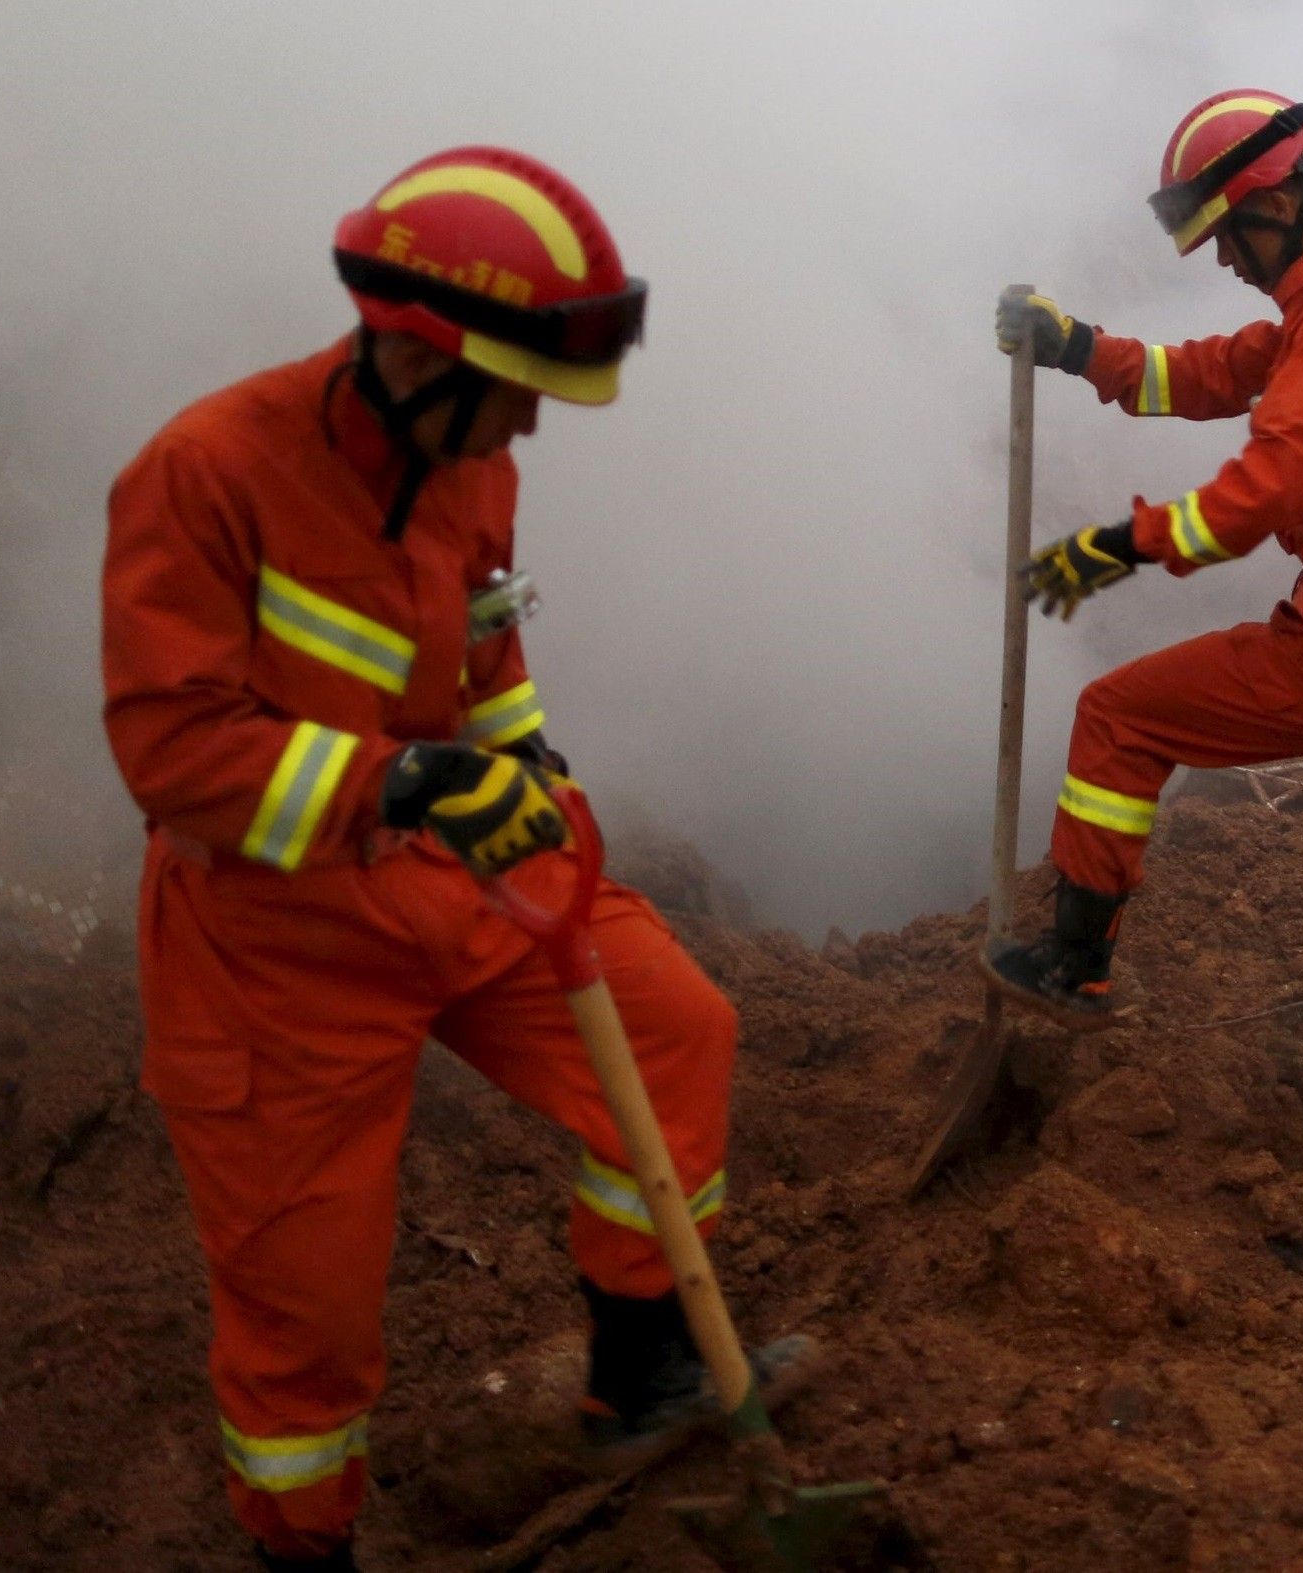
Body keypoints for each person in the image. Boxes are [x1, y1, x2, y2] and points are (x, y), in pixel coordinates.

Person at [102, 147, 793, 1572]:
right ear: (418, 355)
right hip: (271, 940)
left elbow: (485, 646)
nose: (533, 422)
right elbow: (170, 751)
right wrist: (405, 778)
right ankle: (306, 1547)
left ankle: (640, 1376)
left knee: (675, 1033)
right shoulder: (204, 470)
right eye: (517, 386)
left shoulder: (471, 464)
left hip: (449, 880)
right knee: (308, 1309)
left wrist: (527, 764)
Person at [986, 91, 1303, 1213]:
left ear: (1276, 202)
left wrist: (1116, 546)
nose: (1222, 259)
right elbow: (1212, 373)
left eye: (1227, 234)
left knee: (1119, 716)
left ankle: (1075, 962)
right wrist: (1078, 349)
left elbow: (1255, 499)